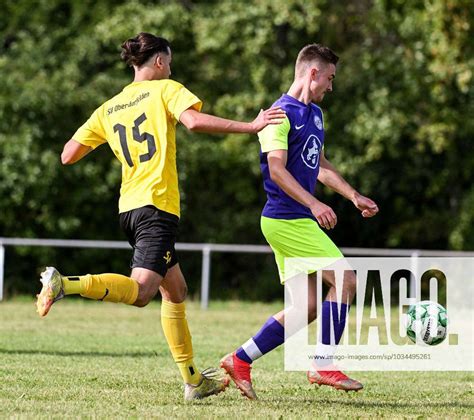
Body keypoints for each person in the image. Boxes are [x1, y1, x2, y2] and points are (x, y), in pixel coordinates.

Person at [35, 32, 285, 401]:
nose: (170, 68)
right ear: (159, 62)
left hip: (129, 207)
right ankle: (65, 284)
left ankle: (194, 381)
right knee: (141, 293)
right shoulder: (165, 89)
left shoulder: (110, 107)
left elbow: (68, 154)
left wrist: (113, 142)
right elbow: (195, 123)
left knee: (176, 290)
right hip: (157, 207)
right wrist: (251, 126)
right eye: (169, 61)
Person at [220, 43, 379, 399]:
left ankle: (240, 360)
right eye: (330, 78)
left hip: (293, 218)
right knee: (346, 279)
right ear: (312, 73)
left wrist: (353, 196)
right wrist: (314, 203)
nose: (331, 87)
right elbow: (276, 170)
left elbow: (319, 165)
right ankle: (324, 364)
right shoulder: (278, 115)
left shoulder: (317, 116)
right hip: (287, 218)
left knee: (305, 307)